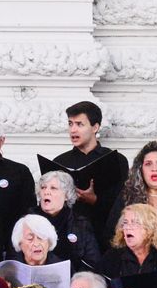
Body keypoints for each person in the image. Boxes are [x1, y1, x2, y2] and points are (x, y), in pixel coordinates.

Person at [54, 102, 128, 242]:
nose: (73, 130)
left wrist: (95, 200)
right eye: (70, 124)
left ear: (95, 127)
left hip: (106, 236)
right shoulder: (59, 161)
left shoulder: (116, 160)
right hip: (68, 235)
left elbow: (123, 203)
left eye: (79, 124)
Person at [31, 171, 103, 270]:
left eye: (53, 188)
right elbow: (15, 257)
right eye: (43, 188)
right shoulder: (27, 221)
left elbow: (93, 263)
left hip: (72, 281)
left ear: (66, 195)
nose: (46, 192)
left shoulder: (81, 224)